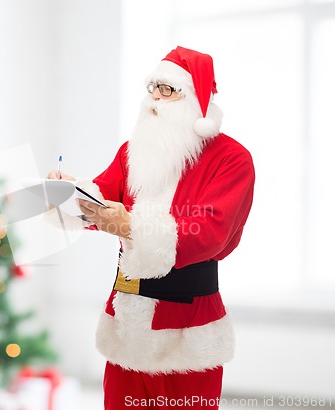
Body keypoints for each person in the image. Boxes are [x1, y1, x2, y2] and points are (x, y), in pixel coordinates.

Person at [48, 46, 255, 409]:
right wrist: (66, 193)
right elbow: (101, 200)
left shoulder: (231, 159)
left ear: (194, 99)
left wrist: (127, 224)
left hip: (188, 332)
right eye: (152, 87)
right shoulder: (134, 151)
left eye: (168, 89)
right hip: (127, 327)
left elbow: (207, 233)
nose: (154, 98)